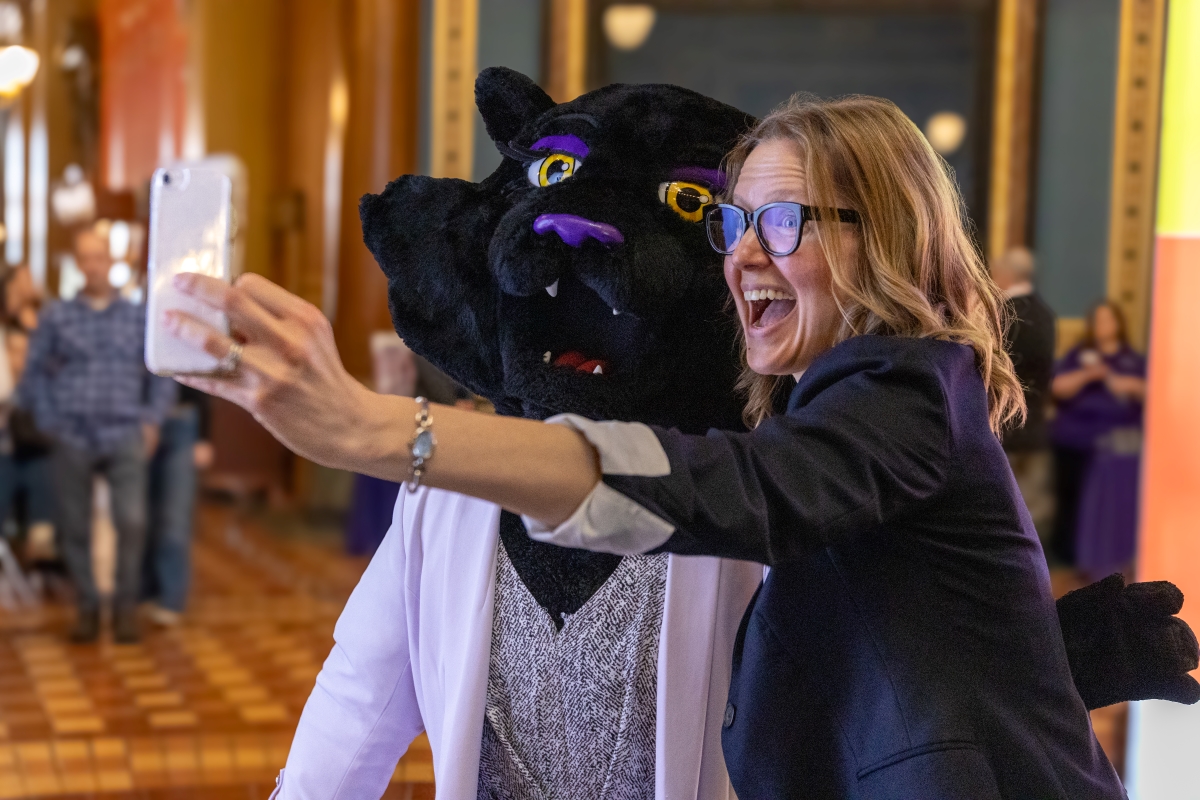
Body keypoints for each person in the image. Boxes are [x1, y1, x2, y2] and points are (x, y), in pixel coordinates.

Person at [168, 95, 1126, 798]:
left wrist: (374, 428)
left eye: (782, 221)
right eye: (732, 222)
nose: (743, 253)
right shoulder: (460, 493)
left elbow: (750, 491)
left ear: (888, 239)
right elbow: (353, 714)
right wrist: (1036, 666)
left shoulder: (910, 387)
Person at [20, 226, 176, 643]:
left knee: (132, 520)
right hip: (71, 433)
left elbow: (161, 373)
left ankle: (124, 608)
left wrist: (151, 419)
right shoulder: (56, 316)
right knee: (73, 528)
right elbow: (33, 376)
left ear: (113, 262)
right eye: (84, 258)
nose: (92, 266)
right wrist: (50, 421)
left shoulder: (137, 316)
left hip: (125, 430)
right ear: (77, 263)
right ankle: (88, 606)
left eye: (99, 257)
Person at [1051, 301, 1146, 576]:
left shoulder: (1131, 360)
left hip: (1116, 450)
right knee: (1073, 507)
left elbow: (1152, 391)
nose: (1103, 325)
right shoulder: (1079, 355)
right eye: (1098, 320)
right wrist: (1087, 375)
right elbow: (1058, 387)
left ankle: (1112, 561)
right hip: (1074, 442)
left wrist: (1125, 383)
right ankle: (1074, 562)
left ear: (1118, 324)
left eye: (1108, 320)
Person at [991, 247, 1056, 544]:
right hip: (1036, 426)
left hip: (1004, 425)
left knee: (1005, 512)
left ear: (1006, 274)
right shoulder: (1045, 313)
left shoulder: (1003, 312)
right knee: (1032, 512)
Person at [142, 384, 213, 626]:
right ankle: (144, 591)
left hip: (182, 422)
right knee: (143, 515)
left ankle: (171, 598)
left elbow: (205, 382)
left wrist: (204, 437)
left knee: (175, 517)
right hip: (140, 423)